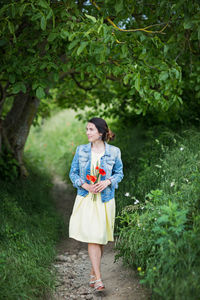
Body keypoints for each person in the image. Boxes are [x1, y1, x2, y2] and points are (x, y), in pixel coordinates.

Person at [69, 117, 123, 292]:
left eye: (91, 129)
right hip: (87, 198)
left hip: (106, 200)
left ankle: (93, 272)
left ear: (100, 132)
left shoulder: (114, 152)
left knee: (100, 237)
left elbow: (119, 173)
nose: (87, 133)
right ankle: (99, 279)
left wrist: (107, 182)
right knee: (93, 236)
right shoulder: (81, 150)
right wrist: (85, 185)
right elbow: (73, 173)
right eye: (86, 129)